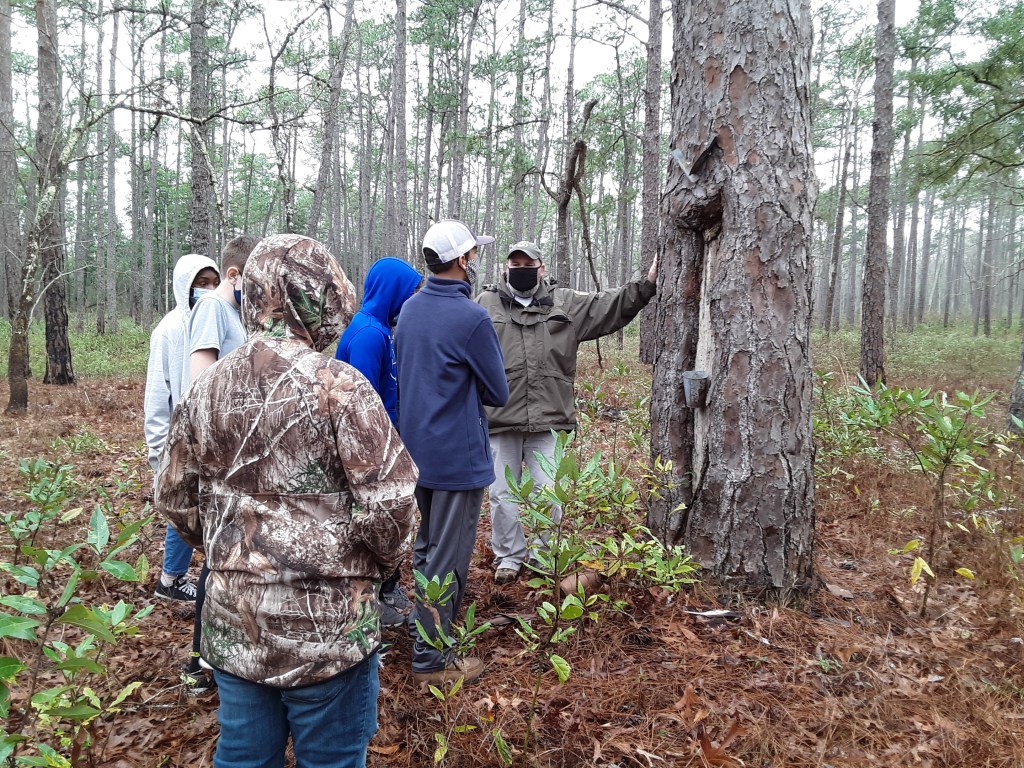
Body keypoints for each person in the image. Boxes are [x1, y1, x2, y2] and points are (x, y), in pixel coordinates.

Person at [155, 234, 418, 768]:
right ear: (321, 295)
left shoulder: (206, 389)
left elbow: (175, 497)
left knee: (244, 757)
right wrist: (375, 568)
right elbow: (391, 508)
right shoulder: (339, 387)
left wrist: (231, 552)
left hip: (237, 623)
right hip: (329, 631)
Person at [477, 241, 658, 584]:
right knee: (501, 495)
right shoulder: (485, 304)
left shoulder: (565, 303)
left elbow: (608, 305)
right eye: (515, 264)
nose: (522, 269)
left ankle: (545, 557)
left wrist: (646, 284)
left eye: (528, 264)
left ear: (541, 268)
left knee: (548, 492)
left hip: (549, 418)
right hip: (500, 418)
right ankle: (509, 557)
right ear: (505, 268)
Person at [395, 219, 508, 686]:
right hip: (457, 458)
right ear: (461, 260)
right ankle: (432, 658)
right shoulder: (471, 318)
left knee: (427, 548)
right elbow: (498, 391)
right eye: (473, 254)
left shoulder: (409, 309)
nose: (476, 260)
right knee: (449, 556)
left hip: (416, 453)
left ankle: (423, 628)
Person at [183, 234, 259, 691]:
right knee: (217, 560)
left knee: (228, 559)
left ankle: (218, 656)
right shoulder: (212, 308)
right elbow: (202, 380)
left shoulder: (233, 313)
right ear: (235, 275)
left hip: (240, 454)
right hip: (223, 455)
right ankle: (200, 662)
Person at [335, 257, 422, 628]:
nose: (412, 300)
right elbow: (362, 402)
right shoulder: (369, 334)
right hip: (371, 445)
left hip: (386, 438)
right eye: (409, 292)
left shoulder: (381, 329)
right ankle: (370, 600)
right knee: (374, 520)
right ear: (392, 292)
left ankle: (388, 587)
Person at [144, 253, 220, 602]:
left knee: (203, 506)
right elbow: (157, 395)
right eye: (201, 283)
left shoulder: (214, 320)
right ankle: (171, 579)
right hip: (180, 439)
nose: (209, 289)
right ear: (184, 286)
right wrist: (158, 453)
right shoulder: (170, 330)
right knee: (183, 507)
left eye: (214, 282)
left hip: (210, 436)